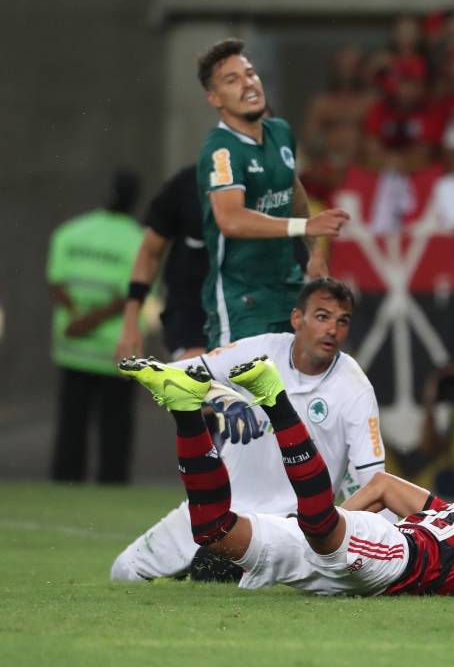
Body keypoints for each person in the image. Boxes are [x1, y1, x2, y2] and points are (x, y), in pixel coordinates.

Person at [117, 354, 454, 601]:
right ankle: (274, 395)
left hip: (347, 566)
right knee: (322, 532)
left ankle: (185, 410)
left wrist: (327, 521)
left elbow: (381, 486)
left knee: (214, 531)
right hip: (395, 556)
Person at [111, 279, 386, 582]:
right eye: (322, 317)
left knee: (221, 581)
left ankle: (213, 570)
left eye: (342, 321)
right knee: (124, 571)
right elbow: (178, 375)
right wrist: (221, 397)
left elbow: (371, 482)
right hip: (215, 506)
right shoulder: (261, 351)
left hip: (287, 527)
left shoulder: (355, 388)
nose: (333, 329)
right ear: (297, 318)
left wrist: (347, 542)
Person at [194, 38, 350, 349]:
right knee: (238, 397)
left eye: (250, 73)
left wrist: (314, 251)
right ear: (215, 98)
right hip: (242, 302)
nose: (248, 84)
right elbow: (231, 219)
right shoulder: (221, 150)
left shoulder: (280, 132)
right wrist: (304, 227)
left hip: (289, 291)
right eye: (232, 79)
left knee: (295, 392)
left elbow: (292, 190)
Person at [47, 170, 143, 484]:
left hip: (73, 347)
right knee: (115, 428)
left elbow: (57, 283)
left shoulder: (71, 231)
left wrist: (78, 320)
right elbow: (132, 296)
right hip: (116, 350)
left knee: (71, 424)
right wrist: (93, 321)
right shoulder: (138, 240)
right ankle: (111, 485)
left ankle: (64, 482)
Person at [115, 164, 209, 363]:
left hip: (256, 311)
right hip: (192, 313)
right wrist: (131, 323)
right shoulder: (188, 184)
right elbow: (150, 251)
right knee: (203, 380)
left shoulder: (277, 185)